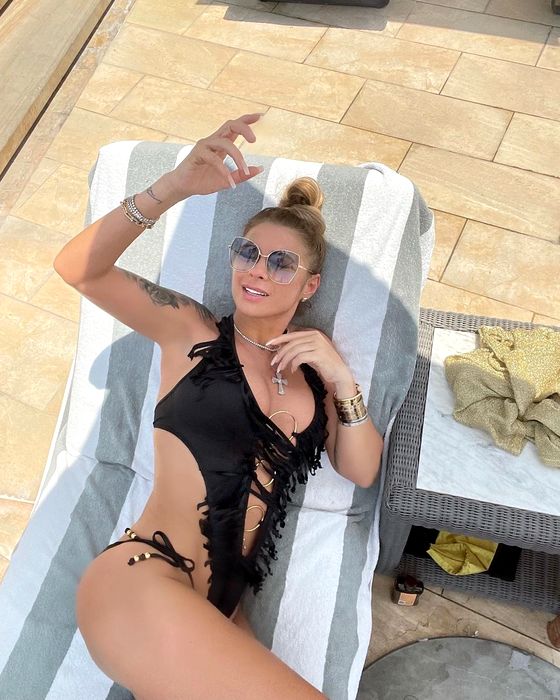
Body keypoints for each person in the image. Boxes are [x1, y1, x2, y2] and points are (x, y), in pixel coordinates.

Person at [53, 112, 384, 700]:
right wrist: (173, 187)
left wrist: (341, 377)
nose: (257, 269)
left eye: (280, 263)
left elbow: (360, 470)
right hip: (143, 579)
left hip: (219, 611)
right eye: (247, 252)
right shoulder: (192, 333)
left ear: (309, 285)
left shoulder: (315, 378)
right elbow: (77, 268)